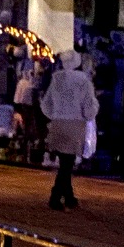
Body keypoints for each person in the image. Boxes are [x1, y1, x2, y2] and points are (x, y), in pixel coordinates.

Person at [40, 50, 98, 211]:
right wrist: (89, 115)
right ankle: (56, 196)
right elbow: (89, 106)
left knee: (65, 161)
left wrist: (54, 115)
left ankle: (69, 196)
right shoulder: (83, 81)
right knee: (67, 163)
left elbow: (46, 104)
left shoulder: (56, 79)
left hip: (58, 122)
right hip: (74, 124)